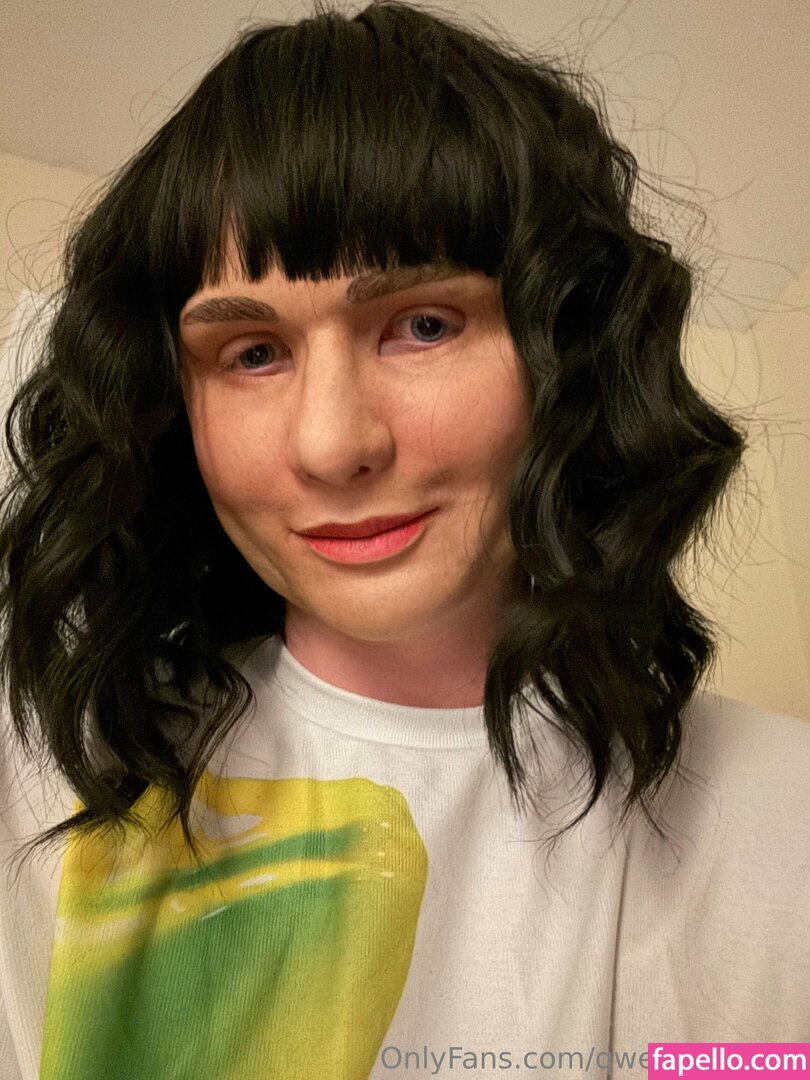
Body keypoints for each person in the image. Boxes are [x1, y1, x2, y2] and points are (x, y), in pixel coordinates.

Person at [1, 2, 808, 1078]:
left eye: (423, 325)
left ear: (571, 349)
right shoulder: (59, 758)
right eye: (251, 353)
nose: (333, 445)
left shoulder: (781, 826)